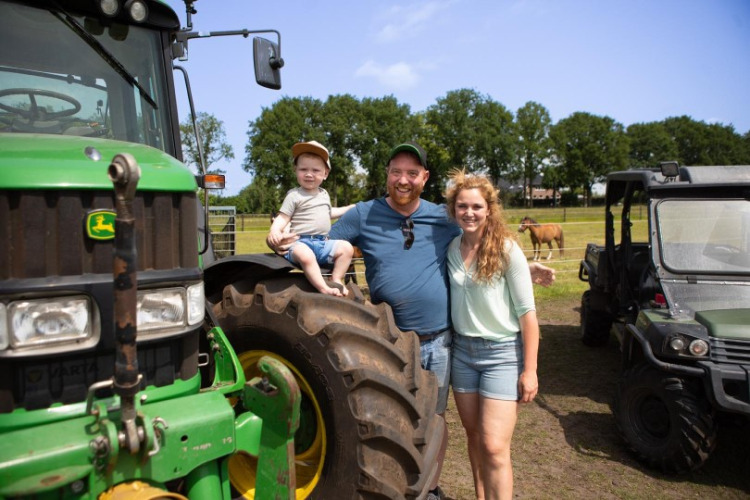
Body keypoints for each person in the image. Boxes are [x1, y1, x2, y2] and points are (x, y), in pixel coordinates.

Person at [269, 141, 554, 500]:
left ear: (424, 177)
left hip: (440, 342)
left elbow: (483, 248)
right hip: (386, 343)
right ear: (387, 175)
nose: (403, 180)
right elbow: (322, 247)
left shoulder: (443, 217)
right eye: (396, 172)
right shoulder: (364, 214)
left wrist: (523, 268)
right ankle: (396, 485)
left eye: (412, 173)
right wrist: (283, 239)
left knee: (432, 422)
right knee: (387, 421)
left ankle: (429, 488)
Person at [444, 170, 539, 500]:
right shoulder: (451, 248)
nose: (469, 213)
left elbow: (529, 316)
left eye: (476, 206)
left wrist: (530, 371)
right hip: (462, 354)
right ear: (453, 210)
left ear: (489, 209)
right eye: (462, 206)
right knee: (473, 438)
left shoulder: (507, 250)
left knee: (495, 447)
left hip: (501, 355)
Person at [268, 140, 355, 296]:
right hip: (300, 242)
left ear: (325, 174)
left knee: (347, 248)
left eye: (315, 170)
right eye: (303, 169)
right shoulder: (294, 195)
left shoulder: (324, 194)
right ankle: (323, 288)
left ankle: (336, 278)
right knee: (306, 256)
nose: (309, 174)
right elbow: (283, 217)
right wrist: (274, 230)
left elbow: (328, 213)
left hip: (323, 243)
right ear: (296, 170)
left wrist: (347, 209)